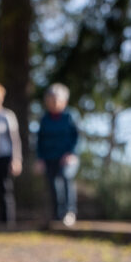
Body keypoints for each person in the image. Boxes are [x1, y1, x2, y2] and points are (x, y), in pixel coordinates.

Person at [35, 83, 79, 226]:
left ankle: (69, 212)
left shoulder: (70, 116)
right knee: (53, 185)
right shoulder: (44, 119)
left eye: (56, 99)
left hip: (67, 157)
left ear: (64, 101)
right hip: (49, 157)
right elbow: (39, 140)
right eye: (50, 99)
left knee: (66, 177)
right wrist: (39, 158)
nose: (53, 102)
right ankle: (57, 215)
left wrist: (71, 153)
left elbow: (77, 137)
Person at [0, 82, 22, 227]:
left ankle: (7, 222)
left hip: (5, 156)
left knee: (5, 189)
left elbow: (15, 139)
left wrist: (16, 159)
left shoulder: (7, 115)